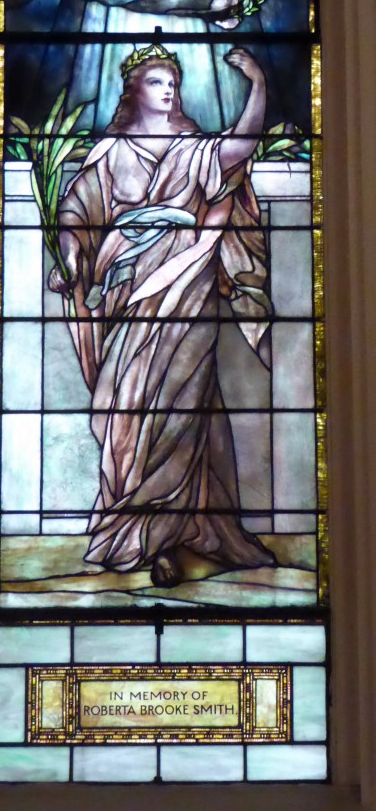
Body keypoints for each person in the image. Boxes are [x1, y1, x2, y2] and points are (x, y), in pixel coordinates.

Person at [49, 42, 276, 587]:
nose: (169, 89)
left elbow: (239, 147)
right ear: (134, 91)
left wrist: (259, 86)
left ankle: (169, 538)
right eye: (157, 81)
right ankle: (132, 525)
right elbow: (76, 212)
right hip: (128, 291)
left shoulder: (193, 148)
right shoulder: (110, 153)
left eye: (173, 81)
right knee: (124, 406)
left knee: (183, 406)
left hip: (187, 283)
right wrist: (72, 258)